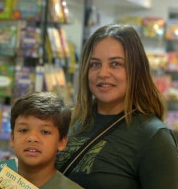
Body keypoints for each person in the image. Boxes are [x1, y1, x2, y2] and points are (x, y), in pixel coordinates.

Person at [55, 24, 178, 189]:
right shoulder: (71, 121)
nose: (103, 73)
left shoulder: (154, 137)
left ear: (136, 70)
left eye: (115, 64)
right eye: (95, 64)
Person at [9, 91, 83, 189]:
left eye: (45, 132)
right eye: (24, 130)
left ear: (61, 142)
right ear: (12, 138)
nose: (32, 138)